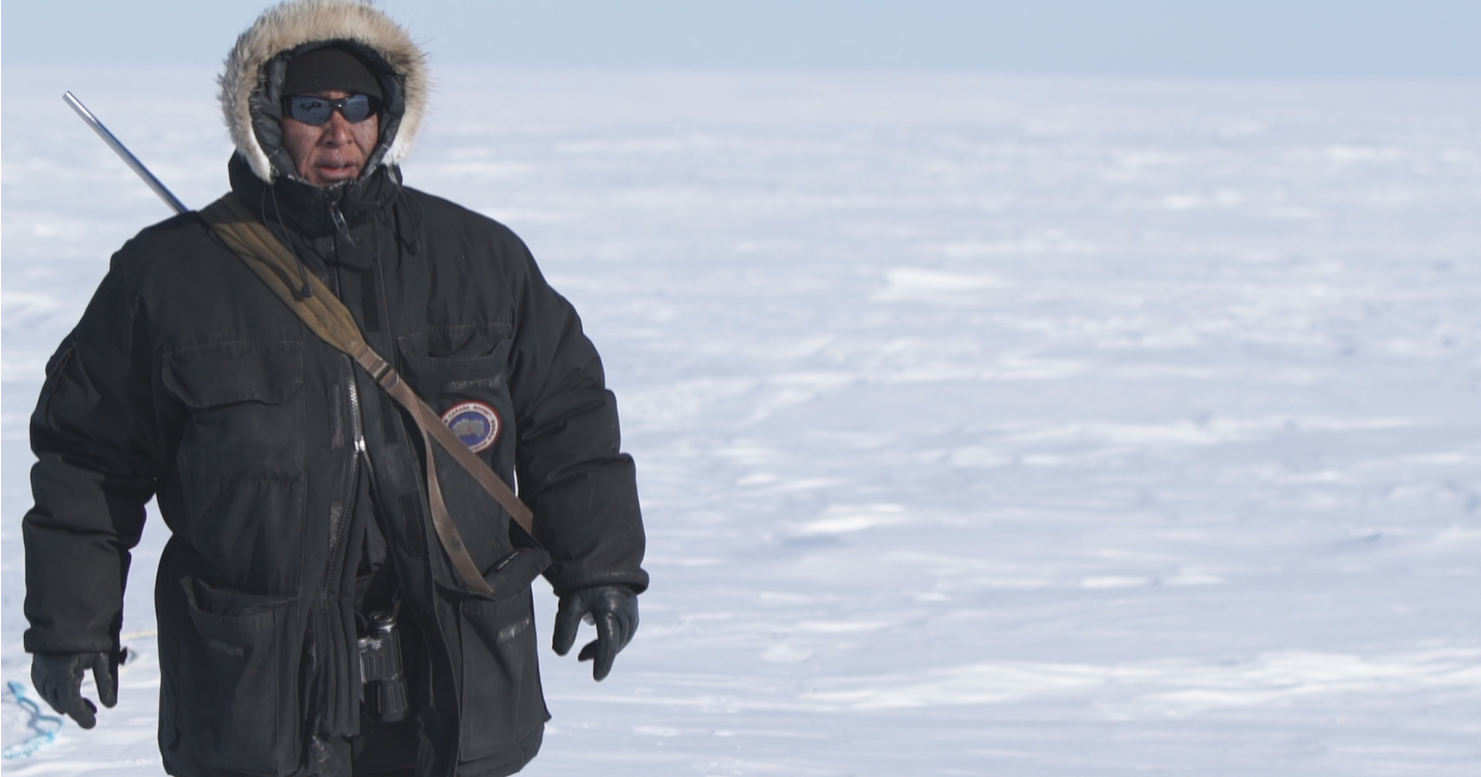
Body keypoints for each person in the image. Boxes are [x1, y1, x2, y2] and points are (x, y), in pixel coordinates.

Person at [21, 1, 648, 775]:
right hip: (255, 682)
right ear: (265, 114)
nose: (338, 129)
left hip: (449, 672)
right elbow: (88, 459)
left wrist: (600, 566)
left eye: (360, 107)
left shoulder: (479, 261)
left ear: (389, 118)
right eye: (311, 106)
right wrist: (71, 625)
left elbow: (568, 417)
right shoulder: (169, 277)